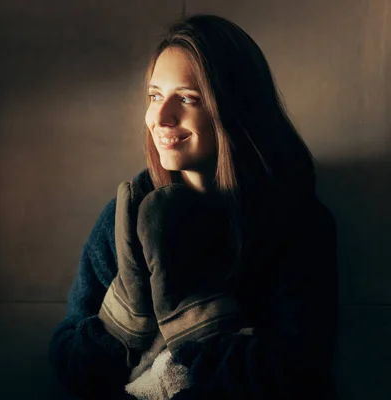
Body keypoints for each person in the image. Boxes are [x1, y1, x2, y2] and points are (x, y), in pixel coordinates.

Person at [48, 14, 338, 400]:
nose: (161, 117)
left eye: (187, 98)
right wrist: (120, 319)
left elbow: (298, 374)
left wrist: (199, 320)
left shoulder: (298, 223)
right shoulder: (129, 215)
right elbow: (68, 364)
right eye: (154, 95)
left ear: (235, 107)